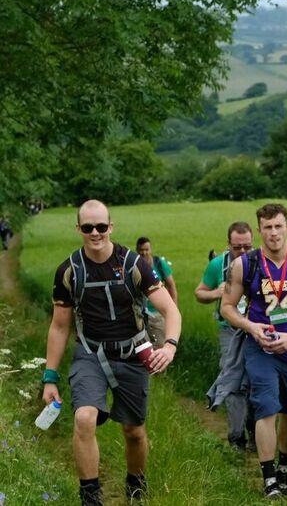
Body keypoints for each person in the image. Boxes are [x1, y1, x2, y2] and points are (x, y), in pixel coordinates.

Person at [42, 199, 182, 506]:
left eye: (101, 227)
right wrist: (49, 377)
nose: (95, 233)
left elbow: (170, 310)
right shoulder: (69, 271)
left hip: (132, 353)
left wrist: (169, 346)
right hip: (90, 354)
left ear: (111, 227)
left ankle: (135, 484)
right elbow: (60, 327)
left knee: (133, 431)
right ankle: (90, 495)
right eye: (88, 227)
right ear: (78, 228)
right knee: (84, 419)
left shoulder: (134, 264)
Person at [221, 204, 287, 498]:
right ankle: (269, 479)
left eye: (279, 226)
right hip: (260, 349)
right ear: (259, 231)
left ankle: (284, 465)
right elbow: (227, 307)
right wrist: (251, 327)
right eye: (267, 227)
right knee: (266, 406)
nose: (274, 233)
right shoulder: (245, 264)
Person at [196, 222, 256, 452]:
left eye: (247, 247)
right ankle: (236, 438)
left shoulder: (262, 262)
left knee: (256, 381)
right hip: (229, 330)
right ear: (228, 244)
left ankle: (256, 433)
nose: (242, 252)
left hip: (256, 329)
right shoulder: (217, 265)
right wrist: (216, 293)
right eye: (237, 247)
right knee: (234, 381)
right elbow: (199, 293)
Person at [135, 237, 178, 348]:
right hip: (140, 315)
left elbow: (171, 286)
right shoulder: (133, 266)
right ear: (137, 250)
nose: (144, 253)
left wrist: (173, 311)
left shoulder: (159, 264)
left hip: (158, 313)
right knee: (143, 349)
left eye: (146, 249)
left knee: (160, 346)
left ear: (151, 249)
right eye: (141, 250)